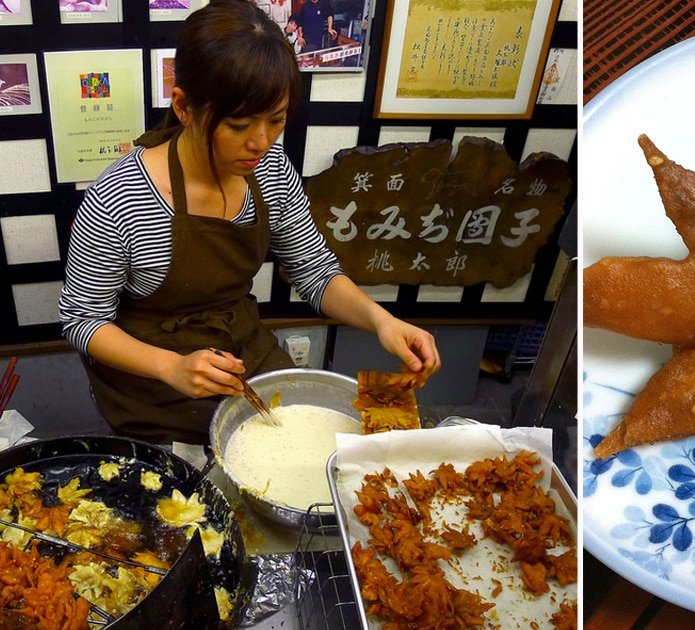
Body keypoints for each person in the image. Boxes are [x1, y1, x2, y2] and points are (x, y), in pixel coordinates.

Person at [58, 0, 441, 445]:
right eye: (239, 125)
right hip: (155, 379)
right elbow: (82, 320)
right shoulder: (122, 197)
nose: (260, 142)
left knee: (306, 445)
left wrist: (382, 321)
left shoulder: (271, 168)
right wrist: (171, 366)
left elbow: (314, 270)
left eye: (275, 121)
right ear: (183, 106)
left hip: (241, 349)